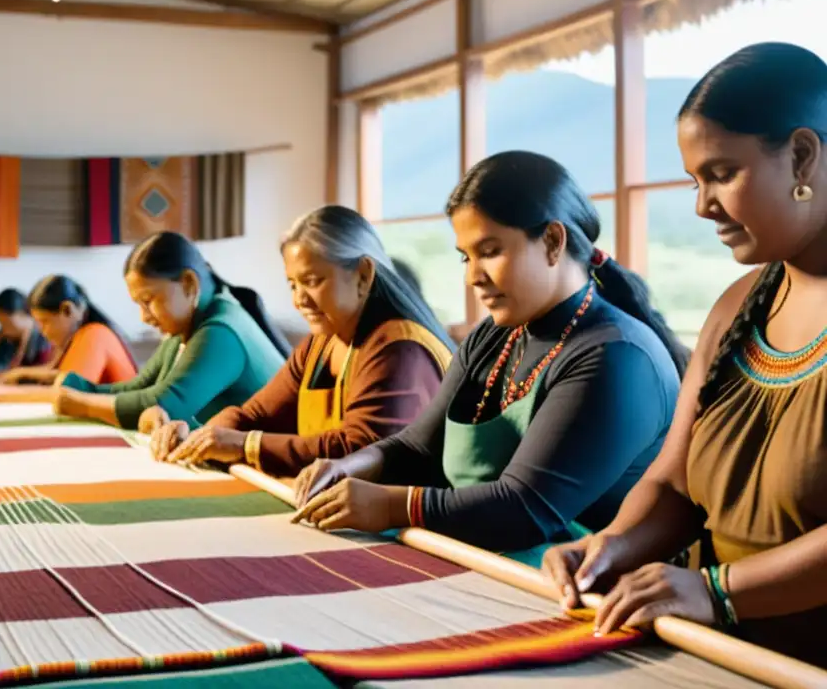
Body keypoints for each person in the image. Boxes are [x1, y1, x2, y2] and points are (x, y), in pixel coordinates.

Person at [542, 42, 827, 667]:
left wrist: (718, 592)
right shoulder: (737, 307)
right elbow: (675, 482)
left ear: (802, 155)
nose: (703, 206)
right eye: (696, 181)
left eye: (723, 174)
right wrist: (612, 546)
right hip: (709, 648)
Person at [292, 152, 690, 569]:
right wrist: (351, 466)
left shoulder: (616, 355)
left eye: (490, 251)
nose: (473, 276)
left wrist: (394, 505)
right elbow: (418, 447)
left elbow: (524, 510)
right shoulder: (495, 334)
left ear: (554, 242)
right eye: (466, 256)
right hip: (488, 566)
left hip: (593, 594)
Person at [152, 205, 454, 475]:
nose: (299, 300)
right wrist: (201, 436)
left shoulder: (399, 348)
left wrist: (245, 445)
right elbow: (255, 415)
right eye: (292, 284)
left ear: (363, 275)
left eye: (312, 282)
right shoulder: (320, 343)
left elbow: (360, 450)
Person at [53, 232, 288, 430]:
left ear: (189, 284)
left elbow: (165, 405)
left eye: (149, 301)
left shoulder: (221, 330)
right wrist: (81, 387)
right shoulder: (187, 326)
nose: (144, 317)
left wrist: (82, 404)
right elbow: (141, 386)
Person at [0, 274, 137, 386]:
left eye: (45, 322)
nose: (43, 331)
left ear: (67, 310)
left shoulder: (95, 334)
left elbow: (71, 391)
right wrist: (21, 373)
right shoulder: (78, 336)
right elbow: (62, 374)